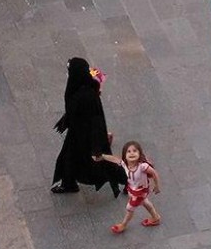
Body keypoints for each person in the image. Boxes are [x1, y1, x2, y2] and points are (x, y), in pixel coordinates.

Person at [51, 57, 125, 196]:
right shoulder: (81, 86)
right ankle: (69, 183)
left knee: (98, 162)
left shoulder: (85, 94)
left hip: (86, 136)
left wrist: (96, 145)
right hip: (78, 132)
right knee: (69, 158)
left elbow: (94, 119)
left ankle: (127, 178)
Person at [94, 140, 161, 233]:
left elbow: (154, 173)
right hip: (135, 191)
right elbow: (115, 159)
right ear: (125, 155)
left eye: (134, 151)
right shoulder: (125, 165)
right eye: (128, 151)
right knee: (145, 202)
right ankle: (155, 217)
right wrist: (103, 157)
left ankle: (123, 225)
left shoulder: (142, 167)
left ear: (139, 154)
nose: (131, 153)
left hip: (140, 192)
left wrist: (157, 186)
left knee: (130, 208)